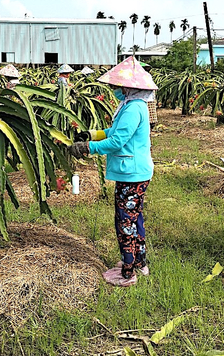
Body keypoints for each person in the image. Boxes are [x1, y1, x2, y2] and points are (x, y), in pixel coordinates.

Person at [68, 56, 158, 287]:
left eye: (116, 86)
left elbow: (117, 141)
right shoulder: (132, 105)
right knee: (135, 217)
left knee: (125, 221)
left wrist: (88, 148)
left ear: (128, 86)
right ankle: (139, 261)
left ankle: (128, 273)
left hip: (132, 173)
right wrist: (91, 134)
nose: (113, 89)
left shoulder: (133, 108)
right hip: (135, 172)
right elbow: (113, 131)